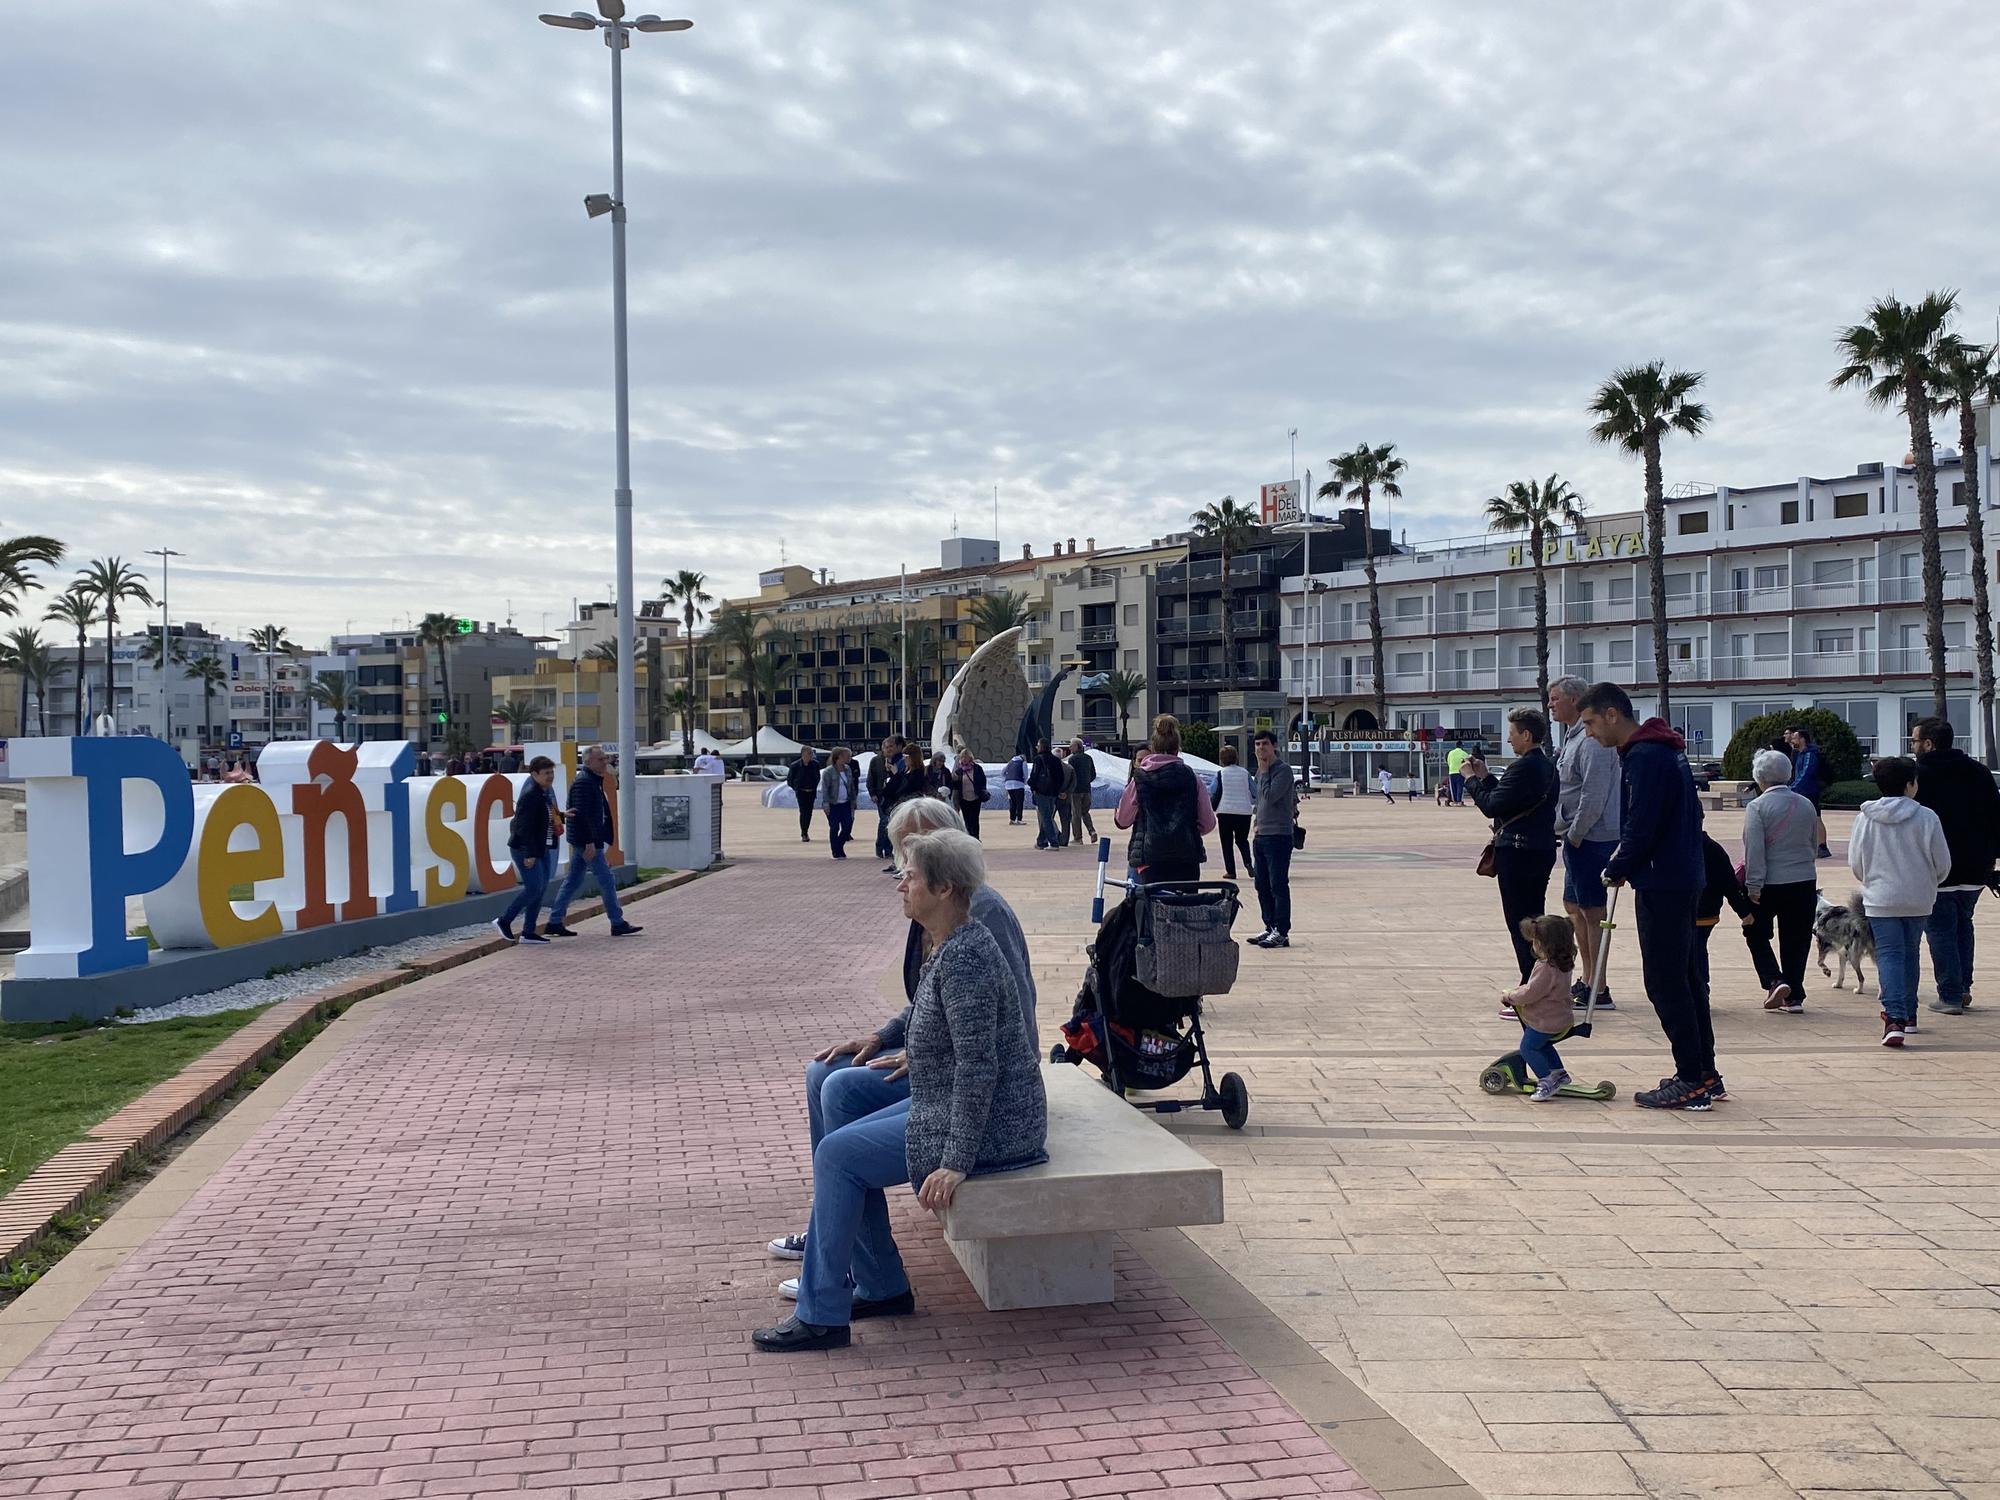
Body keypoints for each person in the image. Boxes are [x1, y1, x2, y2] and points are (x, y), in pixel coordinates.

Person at [752, 828, 1047, 1352]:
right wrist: (882, 1035)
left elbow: (981, 1066)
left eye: (909, 876)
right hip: (948, 1100)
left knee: (838, 1156)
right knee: (839, 1105)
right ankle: (881, 1284)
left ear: (945, 889)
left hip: (995, 1124)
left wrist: (956, 1161)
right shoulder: (951, 942)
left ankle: (823, 1314)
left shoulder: (965, 958)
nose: (899, 886)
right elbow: (926, 1010)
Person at [1578, 682, 1717, 1110]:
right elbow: (1686, 816)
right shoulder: (1664, 750)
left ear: (1611, 715)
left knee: (1665, 980)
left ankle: (1692, 1080)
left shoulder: (1645, 756)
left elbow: (1642, 823)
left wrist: (1618, 867)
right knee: (1687, 978)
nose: (1588, 734)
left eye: (1589, 723)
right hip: (1680, 875)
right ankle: (1703, 1072)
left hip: (1664, 881)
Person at [1849, 756, 1953, 1048]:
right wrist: (1931, 881)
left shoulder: (1864, 818)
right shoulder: (1927, 817)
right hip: (1918, 897)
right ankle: (1909, 1015)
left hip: (1881, 899)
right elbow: (1942, 863)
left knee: (1890, 955)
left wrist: (1871, 881)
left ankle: (1893, 1018)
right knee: (1910, 953)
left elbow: (1856, 862)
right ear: (1911, 784)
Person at [1910, 716, 2000, 1015]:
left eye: (1914, 740)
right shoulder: (1980, 772)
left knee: (1939, 928)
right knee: (1964, 923)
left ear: (1928, 743)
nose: (1913, 746)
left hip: (1937, 866)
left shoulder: (1919, 775)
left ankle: (1949, 994)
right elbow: (1995, 817)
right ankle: (1963, 988)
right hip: (1976, 866)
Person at [1465, 708, 1560, 985]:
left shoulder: (1523, 767)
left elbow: (1492, 805)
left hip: (1518, 853)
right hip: (1539, 850)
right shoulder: (1546, 765)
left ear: (1526, 735)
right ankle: (1540, 978)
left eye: (1512, 734)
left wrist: (1470, 778)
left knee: (1520, 921)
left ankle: (1530, 981)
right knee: (1534, 916)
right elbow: (1513, 799)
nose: (1509, 741)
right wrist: (1485, 777)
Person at [1550, 675, 1623, 1011]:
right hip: (1576, 837)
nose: (1550, 704)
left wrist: (1576, 833)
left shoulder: (1592, 741)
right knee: (1574, 908)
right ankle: (1588, 976)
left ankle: (1599, 985)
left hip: (1593, 838)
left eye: (1555, 698)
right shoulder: (1574, 736)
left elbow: (1594, 795)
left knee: (1593, 912)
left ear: (1575, 700)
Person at [1740, 748, 1820, 1013]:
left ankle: (1774, 979)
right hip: (1804, 880)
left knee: (1755, 932)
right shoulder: (1805, 804)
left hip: (1769, 883)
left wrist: (1753, 886)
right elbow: (1813, 843)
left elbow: (1754, 849)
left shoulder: (1757, 807)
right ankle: (1794, 995)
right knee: (1796, 940)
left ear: (1759, 777)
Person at [542, 744, 642, 939]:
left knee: (573, 880)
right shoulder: (584, 783)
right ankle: (617, 922)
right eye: (600, 759)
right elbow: (580, 815)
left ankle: (554, 921)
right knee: (606, 879)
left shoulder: (592, 781)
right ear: (588, 762)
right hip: (586, 840)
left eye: (605, 759)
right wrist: (588, 842)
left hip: (587, 839)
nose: (605, 762)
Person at [1116, 714, 1217, 890]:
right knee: (1185, 910)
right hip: (1186, 860)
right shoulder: (1192, 778)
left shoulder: (1139, 778)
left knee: (1152, 910)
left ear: (1153, 747)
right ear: (1178, 748)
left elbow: (1123, 820)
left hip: (1150, 860)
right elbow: (1208, 823)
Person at [1499, 915, 1580, 1102]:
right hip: (1561, 1017)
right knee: (1543, 1044)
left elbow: (1532, 992)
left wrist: (1510, 996)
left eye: (1535, 941)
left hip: (1546, 1020)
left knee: (1528, 1048)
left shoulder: (1546, 967)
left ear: (1544, 945)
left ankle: (1547, 1079)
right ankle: (1559, 1072)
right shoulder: (1563, 963)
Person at [494, 755, 559, 944]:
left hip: (541, 848)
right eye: (546, 773)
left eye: (552, 772)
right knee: (533, 889)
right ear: (534, 774)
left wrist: (562, 815)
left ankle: (528, 932)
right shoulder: (531, 795)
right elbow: (523, 827)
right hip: (527, 849)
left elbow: (542, 819)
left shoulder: (542, 793)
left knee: (540, 889)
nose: (550, 776)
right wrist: (529, 853)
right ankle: (504, 921)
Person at [1248, 728, 1297, 948]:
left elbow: (1271, 797)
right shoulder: (1260, 772)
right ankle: (1269, 926)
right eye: (1257, 745)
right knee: (1262, 884)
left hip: (1278, 836)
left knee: (1278, 884)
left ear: (1274, 746)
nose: (1260, 748)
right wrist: (1256, 824)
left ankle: (1281, 931)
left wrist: (1266, 771)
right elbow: (1259, 803)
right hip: (1261, 836)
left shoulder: (1282, 771)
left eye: (1265, 744)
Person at [1786, 724, 1831, 859]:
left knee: (1816, 818)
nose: (1792, 741)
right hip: (1801, 791)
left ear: (1802, 739)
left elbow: (1805, 773)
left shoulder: (1810, 754)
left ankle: (1822, 846)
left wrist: (1792, 788)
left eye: (1794, 738)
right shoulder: (1800, 754)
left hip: (1809, 791)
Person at [1213, 743, 1255, 880]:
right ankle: (1248, 863)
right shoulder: (1245, 773)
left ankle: (1231, 871)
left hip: (1225, 812)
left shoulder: (1220, 774)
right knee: (1242, 840)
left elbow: (1212, 790)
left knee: (1227, 843)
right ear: (1236, 758)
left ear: (1221, 759)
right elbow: (1254, 792)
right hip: (1244, 812)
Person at [819, 747, 859, 858]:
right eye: (847, 756)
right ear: (839, 757)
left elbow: (851, 786)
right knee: (834, 827)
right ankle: (836, 851)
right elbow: (825, 789)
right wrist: (826, 804)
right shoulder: (828, 771)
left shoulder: (848, 769)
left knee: (847, 826)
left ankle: (839, 846)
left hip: (846, 803)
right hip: (833, 804)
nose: (849, 758)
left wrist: (854, 800)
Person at [1029, 738, 1066, 850]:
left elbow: (1034, 775)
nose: (1036, 748)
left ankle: (1054, 843)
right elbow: (1061, 777)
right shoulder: (1056, 760)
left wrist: (1032, 786)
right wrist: (1058, 790)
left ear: (1041, 747)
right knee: (1048, 816)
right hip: (1053, 793)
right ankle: (1041, 841)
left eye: (1038, 746)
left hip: (1041, 792)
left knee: (1046, 817)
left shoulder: (1038, 759)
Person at [786, 746, 821, 843]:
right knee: (803, 812)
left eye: (811, 754)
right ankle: (804, 832)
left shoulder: (815, 764)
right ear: (803, 755)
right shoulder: (795, 766)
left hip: (811, 792)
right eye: (808, 754)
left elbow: (818, 777)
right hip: (801, 792)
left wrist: (814, 786)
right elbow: (790, 780)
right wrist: (797, 788)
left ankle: (806, 830)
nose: (810, 756)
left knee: (809, 812)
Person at [951, 748, 988, 838]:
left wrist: (981, 790)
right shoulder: (959, 771)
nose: (964, 759)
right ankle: (969, 837)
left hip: (975, 798)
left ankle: (975, 837)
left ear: (970, 758)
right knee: (967, 820)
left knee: (974, 820)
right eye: (962, 757)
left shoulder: (977, 768)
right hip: (963, 799)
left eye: (965, 757)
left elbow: (983, 781)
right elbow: (955, 785)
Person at [1067, 739, 1098, 843]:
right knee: (1085, 812)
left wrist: (1068, 788)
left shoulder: (1073, 759)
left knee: (1076, 814)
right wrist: (1087, 781)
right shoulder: (1088, 758)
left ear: (1077, 746)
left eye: (1071, 746)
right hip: (1087, 789)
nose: (1070, 748)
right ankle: (1092, 831)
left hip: (1075, 790)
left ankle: (1078, 837)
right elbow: (1093, 774)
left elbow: (1070, 775)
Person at [1002, 750, 1028, 824]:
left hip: (1008, 785)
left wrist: (1007, 778)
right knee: (1019, 802)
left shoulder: (1010, 762)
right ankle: (1019, 819)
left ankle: (1012, 819)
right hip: (1019, 784)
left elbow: (1002, 772)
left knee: (1012, 802)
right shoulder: (1023, 762)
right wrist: (1024, 781)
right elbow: (1025, 773)